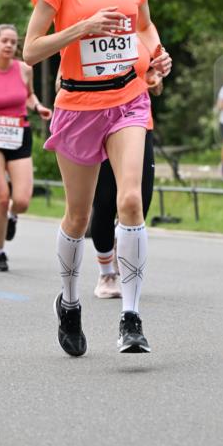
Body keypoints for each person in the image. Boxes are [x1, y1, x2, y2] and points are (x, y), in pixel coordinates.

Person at [24, 0, 172, 357]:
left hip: (127, 101)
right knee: (79, 216)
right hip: (77, 107)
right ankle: (68, 302)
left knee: (130, 200)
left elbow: (144, 29)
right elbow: (31, 49)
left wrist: (157, 56)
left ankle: (131, 317)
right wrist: (81, 29)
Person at [0, 23, 52, 272]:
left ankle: (12, 217)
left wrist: (38, 107)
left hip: (19, 135)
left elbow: (29, 95)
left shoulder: (25, 69)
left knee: (22, 200)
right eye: (4, 40)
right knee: (1, 198)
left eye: (13, 42)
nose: (8, 45)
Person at [90, 67, 162, 299]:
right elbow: (63, 83)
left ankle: (122, 246)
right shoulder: (90, 31)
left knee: (138, 202)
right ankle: (106, 273)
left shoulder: (145, 36)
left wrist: (155, 79)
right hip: (100, 124)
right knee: (104, 202)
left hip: (139, 125)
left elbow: (156, 85)